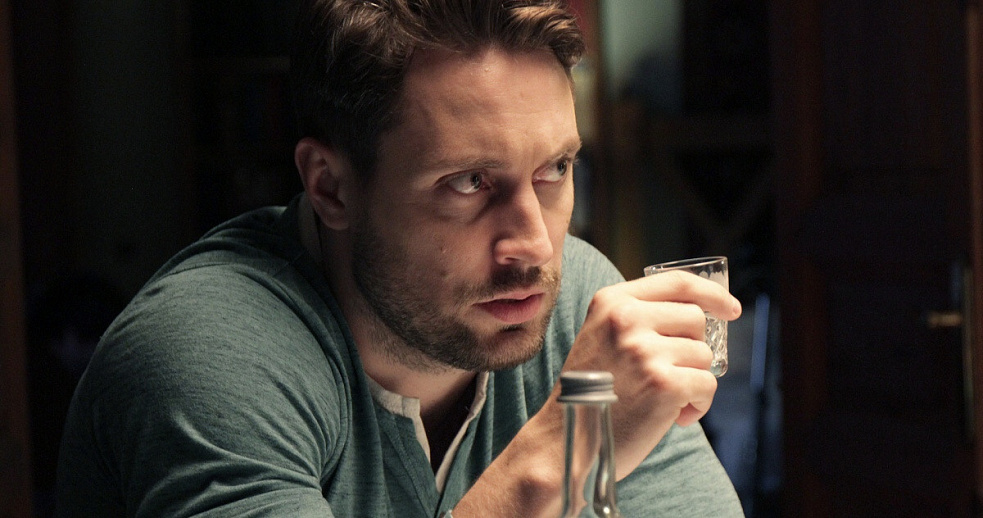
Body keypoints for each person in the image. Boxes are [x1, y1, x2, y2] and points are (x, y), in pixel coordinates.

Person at [56, 0, 744, 516]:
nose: (535, 245)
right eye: (468, 182)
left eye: (554, 169)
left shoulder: (572, 300)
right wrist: (565, 447)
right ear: (330, 187)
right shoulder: (208, 353)